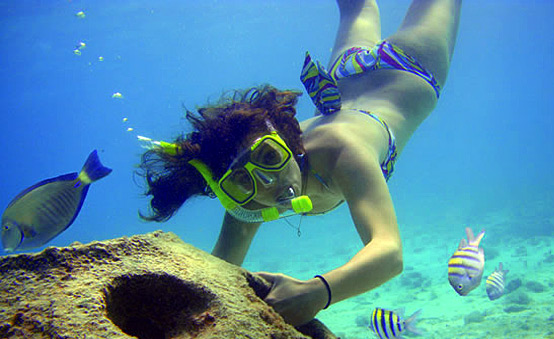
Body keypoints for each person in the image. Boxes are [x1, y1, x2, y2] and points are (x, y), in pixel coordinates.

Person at [137, 0, 461, 326]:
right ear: (229, 192)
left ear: (288, 139)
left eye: (268, 157)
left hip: (412, 66)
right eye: (241, 182)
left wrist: (319, 291)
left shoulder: (343, 153)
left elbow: (389, 252)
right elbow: (222, 270)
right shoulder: (245, 201)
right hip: (345, 72)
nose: (267, 183)